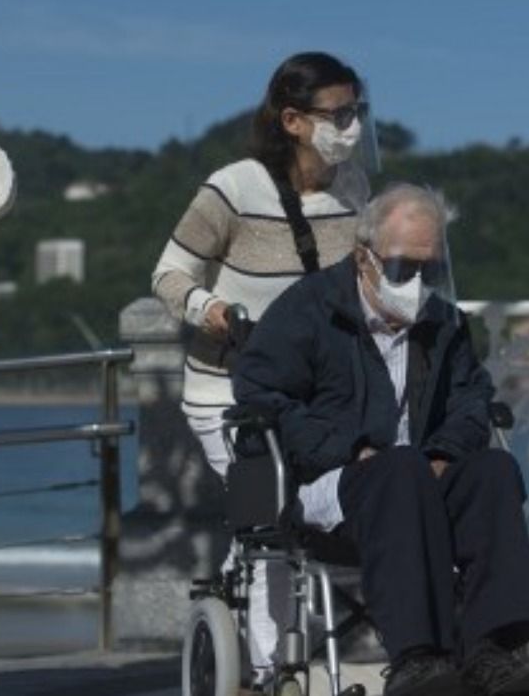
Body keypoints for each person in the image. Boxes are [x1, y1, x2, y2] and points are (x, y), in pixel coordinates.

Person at [233, 184, 529, 696]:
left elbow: (473, 399)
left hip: (416, 477)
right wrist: (349, 449)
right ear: (365, 258)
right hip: (330, 484)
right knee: (398, 468)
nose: (420, 283)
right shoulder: (309, 310)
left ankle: (493, 651)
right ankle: (416, 660)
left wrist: (444, 454)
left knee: (492, 471)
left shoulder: (445, 323)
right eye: (406, 269)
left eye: (433, 270)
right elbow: (259, 392)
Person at [151, 51, 371, 687]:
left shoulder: (353, 188)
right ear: (294, 120)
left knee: (309, 510)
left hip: (313, 394)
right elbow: (168, 275)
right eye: (341, 114)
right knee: (273, 520)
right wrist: (213, 309)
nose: (352, 126)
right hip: (230, 387)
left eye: (359, 111)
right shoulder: (234, 188)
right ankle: (273, 672)